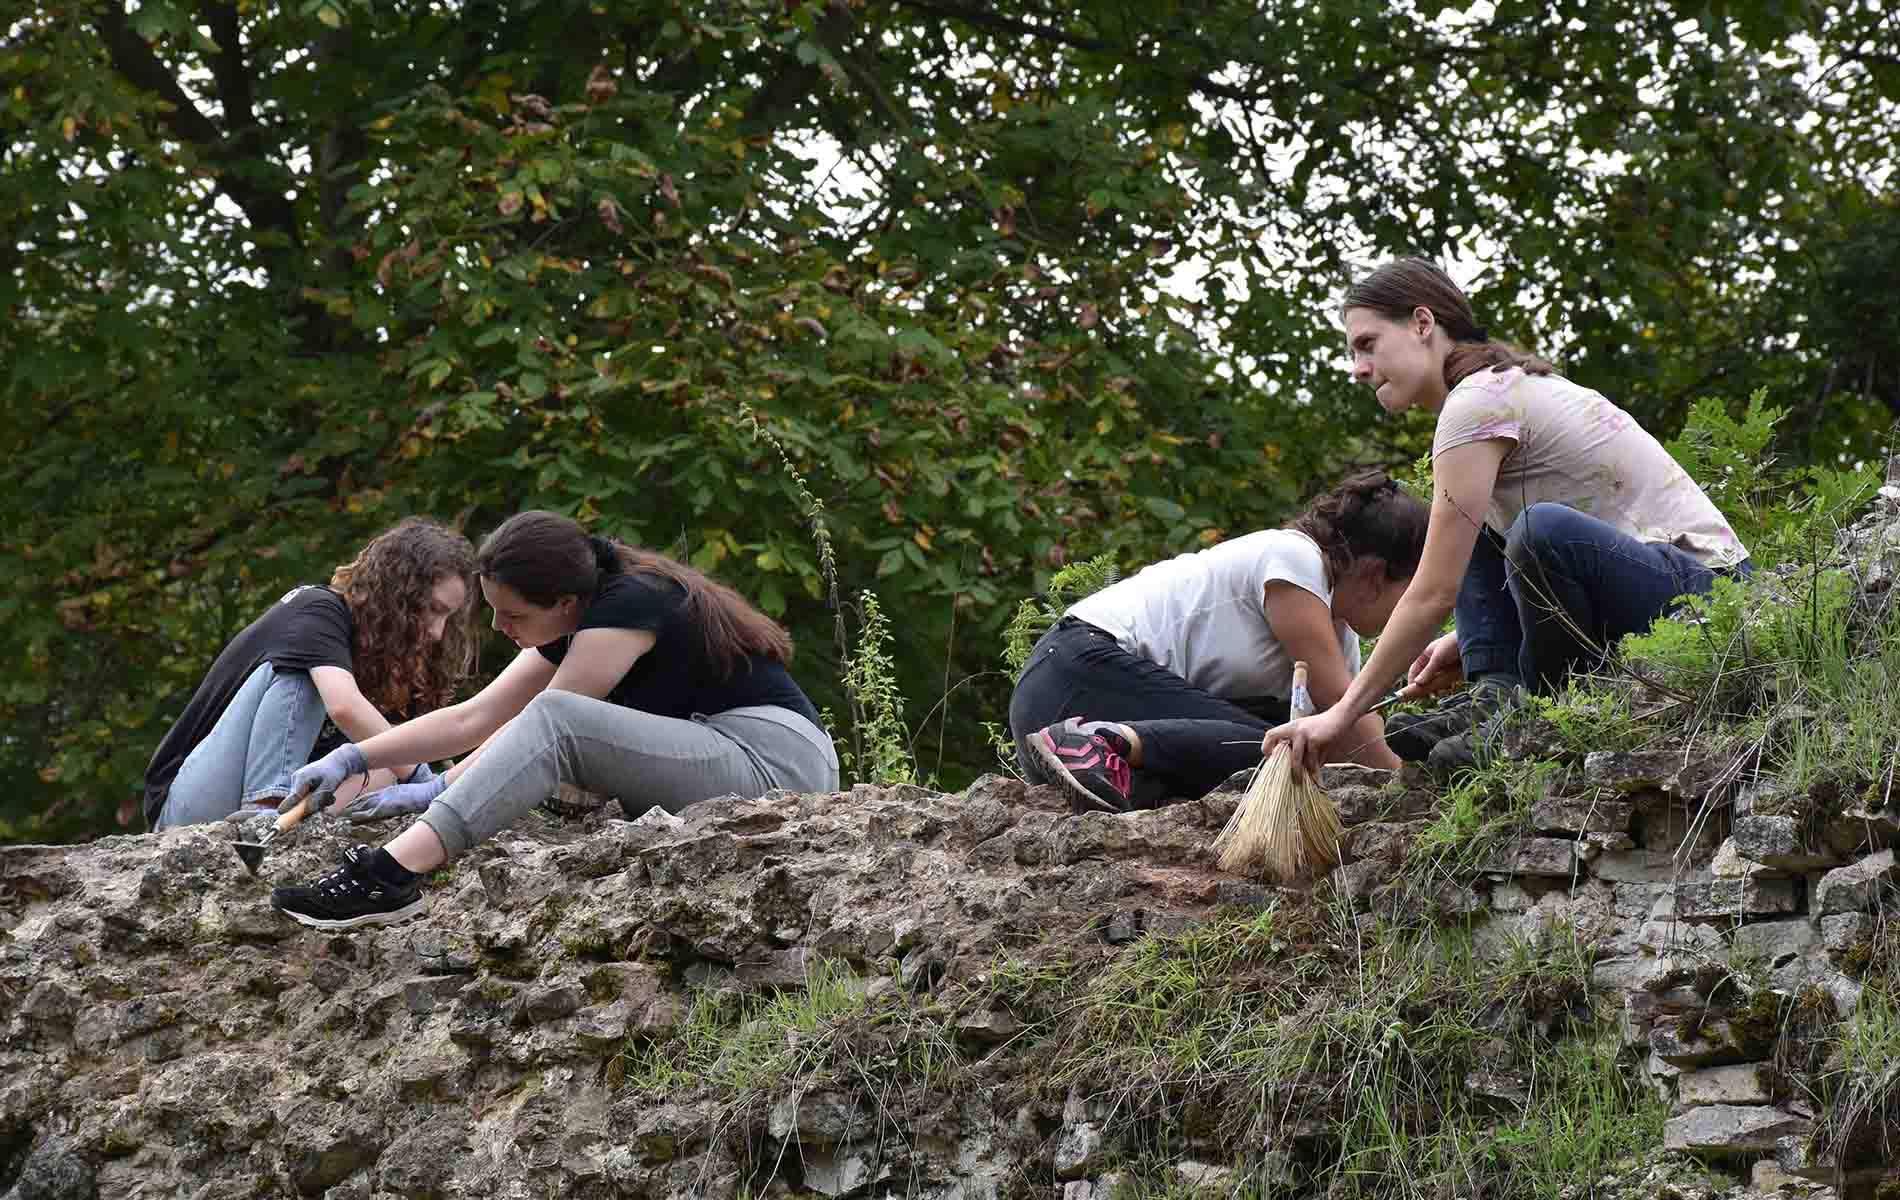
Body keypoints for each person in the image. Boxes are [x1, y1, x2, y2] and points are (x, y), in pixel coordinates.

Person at [1266, 258, 1752, 775]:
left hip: (1713, 600)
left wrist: (1341, 714)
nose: (1359, 368)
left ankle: (1532, 715)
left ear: (1423, 324)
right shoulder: (1491, 392)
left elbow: (1434, 592)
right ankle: (1494, 695)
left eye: (1368, 344)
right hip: (1649, 584)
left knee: (1542, 532)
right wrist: (1467, 642)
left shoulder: (1475, 405)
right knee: (1469, 518)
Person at [267, 510, 840, 930]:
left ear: (564, 602)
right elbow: (474, 718)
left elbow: (547, 733)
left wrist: (436, 790)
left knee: (555, 717)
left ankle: (388, 876)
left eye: (513, 615)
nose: (499, 628)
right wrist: (352, 757)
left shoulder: (630, 604)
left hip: (772, 760)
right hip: (723, 749)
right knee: (550, 718)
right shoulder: (578, 614)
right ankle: (392, 867)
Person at [1012, 473, 1430, 814]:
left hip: (1080, 716)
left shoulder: (1341, 636)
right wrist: (1410, 799)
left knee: (1288, 746)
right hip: (1075, 674)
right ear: (1375, 576)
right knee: (1278, 750)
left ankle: (1122, 763)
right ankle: (1102, 742)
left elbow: (1343, 737)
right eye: (1412, 592)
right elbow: (1344, 710)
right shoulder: (1296, 559)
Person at [144, 519, 476, 830]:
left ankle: (292, 824)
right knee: (307, 676)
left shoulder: (390, 659)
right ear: (399, 592)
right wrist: (423, 780)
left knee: (389, 758)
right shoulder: (317, 610)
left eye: (447, 617)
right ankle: (264, 812)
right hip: (189, 803)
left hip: (285, 808)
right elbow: (344, 707)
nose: (438, 632)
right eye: (433, 610)